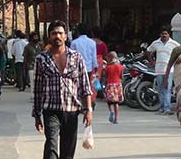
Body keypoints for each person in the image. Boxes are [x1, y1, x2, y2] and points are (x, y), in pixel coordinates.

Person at [33, 20, 94, 159]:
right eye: (54, 33)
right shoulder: (41, 59)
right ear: (49, 36)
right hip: (51, 110)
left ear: (66, 36)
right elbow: (37, 89)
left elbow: (85, 86)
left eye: (60, 33)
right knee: (51, 147)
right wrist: (36, 114)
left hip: (71, 110)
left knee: (68, 151)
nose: (57, 36)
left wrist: (88, 110)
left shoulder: (76, 57)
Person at [148, 28, 180, 115]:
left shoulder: (173, 43)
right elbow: (148, 51)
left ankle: (167, 108)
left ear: (169, 35)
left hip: (169, 70)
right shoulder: (156, 43)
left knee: (167, 89)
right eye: (162, 33)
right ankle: (162, 108)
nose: (164, 35)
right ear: (160, 35)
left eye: (166, 34)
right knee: (160, 90)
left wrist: (176, 62)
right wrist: (152, 61)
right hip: (158, 70)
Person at [104, 51, 124, 124]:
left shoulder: (108, 67)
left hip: (110, 85)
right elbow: (121, 76)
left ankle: (111, 111)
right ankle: (116, 118)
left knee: (109, 101)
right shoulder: (121, 67)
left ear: (110, 58)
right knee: (116, 103)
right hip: (118, 85)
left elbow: (106, 76)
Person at [24, 32, 42, 99]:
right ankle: (33, 96)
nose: (36, 38)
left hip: (40, 66)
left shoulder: (40, 45)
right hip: (31, 66)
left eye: (37, 36)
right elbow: (25, 57)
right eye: (34, 37)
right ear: (31, 38)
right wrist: (25, 66)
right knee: (32, 81)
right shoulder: (27, 47)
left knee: (39, 82)